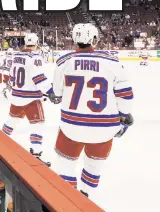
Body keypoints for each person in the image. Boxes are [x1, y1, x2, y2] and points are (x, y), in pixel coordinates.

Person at [50, 23, 134, 198]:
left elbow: (57, 94)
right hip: (104, 129)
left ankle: (68, 200)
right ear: (94, 40)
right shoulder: (112, 62)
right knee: (93, 166)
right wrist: (125, 117)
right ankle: (85, 196)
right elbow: (125, 96)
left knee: (66, 165)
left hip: (71, 127)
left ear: (74, 39)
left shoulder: (63, 62)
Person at [1, 34, 54, 165]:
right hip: (31, 98)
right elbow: (39, 78)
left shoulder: (16, 56)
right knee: (38, 124)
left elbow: (11, 75)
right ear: (36, 43)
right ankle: (36, 153)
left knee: (12, 120)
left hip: (16, 95)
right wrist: (50, 92)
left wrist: (11, 87)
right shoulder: (35, 57)